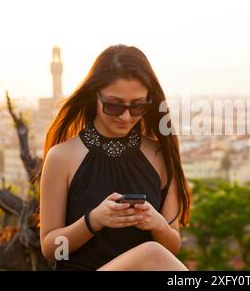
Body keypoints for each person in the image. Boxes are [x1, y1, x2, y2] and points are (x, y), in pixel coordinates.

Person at [39, 44, 191, 270]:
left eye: (138, 106)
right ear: (95, 96)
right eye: (113, 105)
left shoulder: (160, 155)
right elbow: (51, 249)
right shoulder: (62, 157)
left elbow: (171, 248)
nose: (126, 116)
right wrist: (93, 221)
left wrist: (157, 225)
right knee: (151, 252)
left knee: (153, 253)